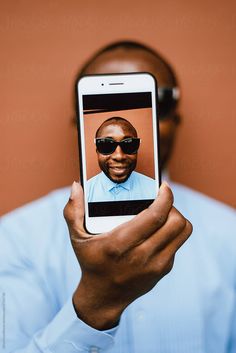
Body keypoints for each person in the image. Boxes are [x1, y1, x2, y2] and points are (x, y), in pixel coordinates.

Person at [0, 41, 235, 353]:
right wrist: (95, 306)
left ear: (175, 122)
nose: (119, 152)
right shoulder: (16, 237)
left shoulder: (230, 234)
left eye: (157, 103)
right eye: (106, 109)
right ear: (83, 133)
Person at [87, 116, 156, 202]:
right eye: (106, 145)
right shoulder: (84, 194)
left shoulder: (155, 191)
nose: (119, 156)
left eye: (129, 145)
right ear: (97, 151)